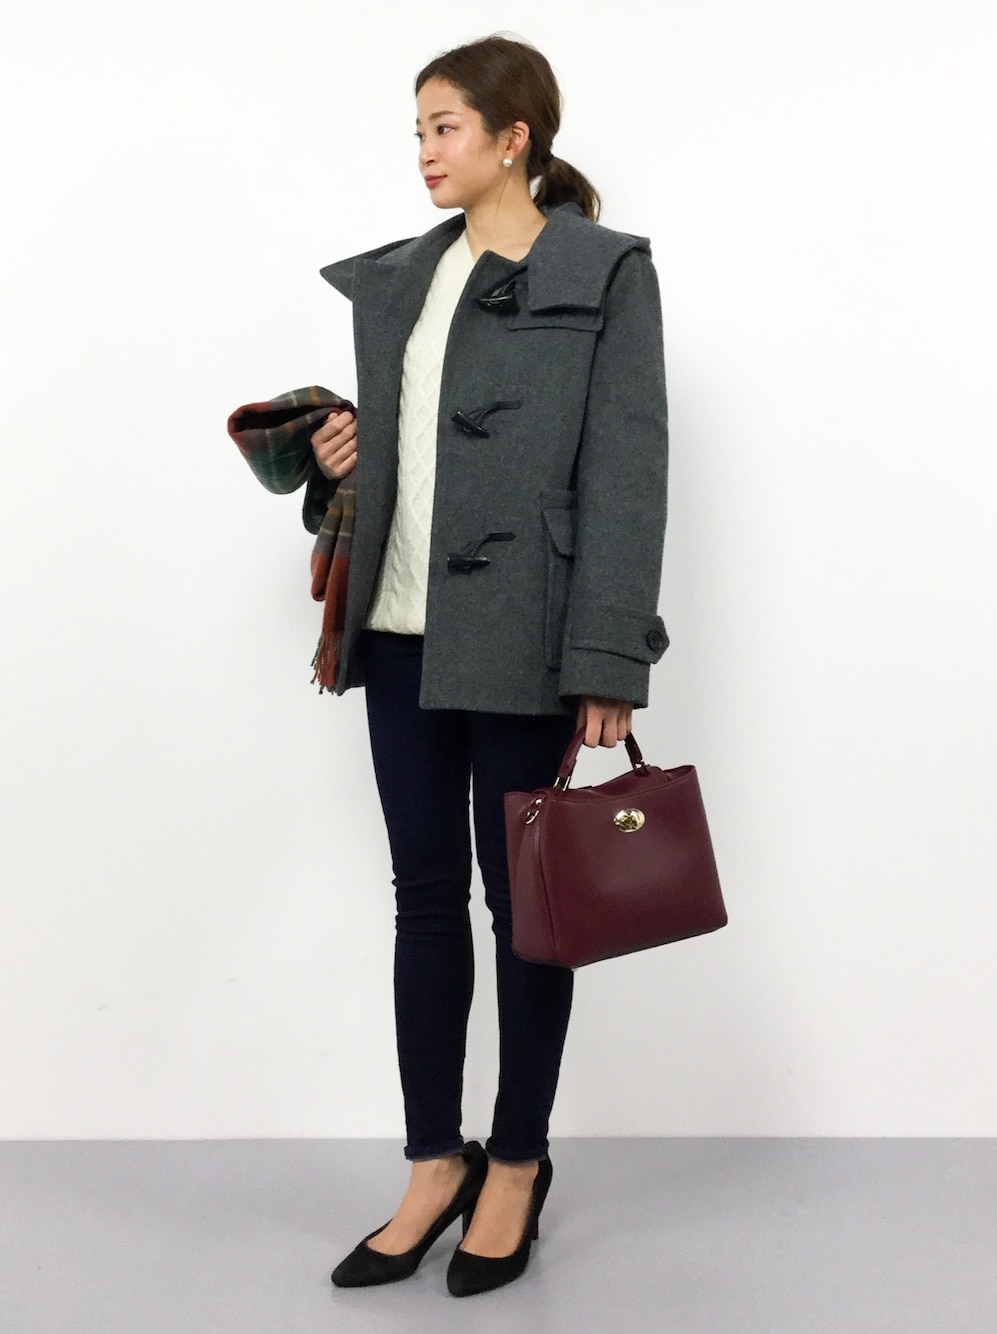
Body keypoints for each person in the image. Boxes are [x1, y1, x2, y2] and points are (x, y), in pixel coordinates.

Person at [310, 34, 670, 1297]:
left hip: (525, 633)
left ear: (514, 138)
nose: (424, 151)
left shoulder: (604, 272)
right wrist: (340, 458)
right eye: (417, 130)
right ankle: (432, 1163)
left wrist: (607, 655)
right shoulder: (405, 278)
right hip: (399, 627)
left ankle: (515, 1161)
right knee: (422, 898)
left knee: (528, 913)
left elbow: (628, 475)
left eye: (445, 126)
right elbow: (408, 454)